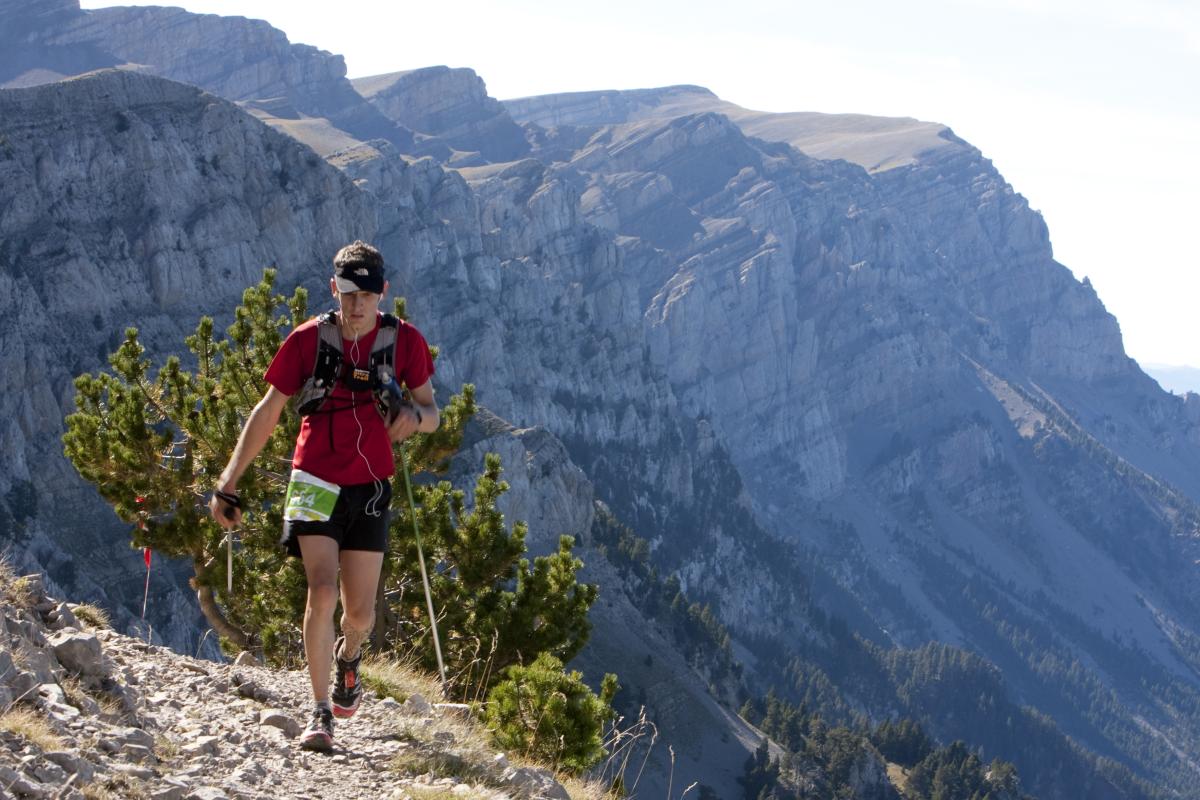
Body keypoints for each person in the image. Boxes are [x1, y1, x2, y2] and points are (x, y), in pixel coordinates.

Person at [210, 241, 439, 751]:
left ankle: (349, 655)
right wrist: (228, 483)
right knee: (321, 589)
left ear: (384, 293)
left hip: (372, 485)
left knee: (359, 613)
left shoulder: (405, 343)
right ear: (334, 288)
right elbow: (267, 411)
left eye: (368, 294)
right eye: (349, 292)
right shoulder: (308, 340)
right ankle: (319, 713)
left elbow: (432, 411)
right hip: (312, 479)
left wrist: (413, 419)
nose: (357, 305)